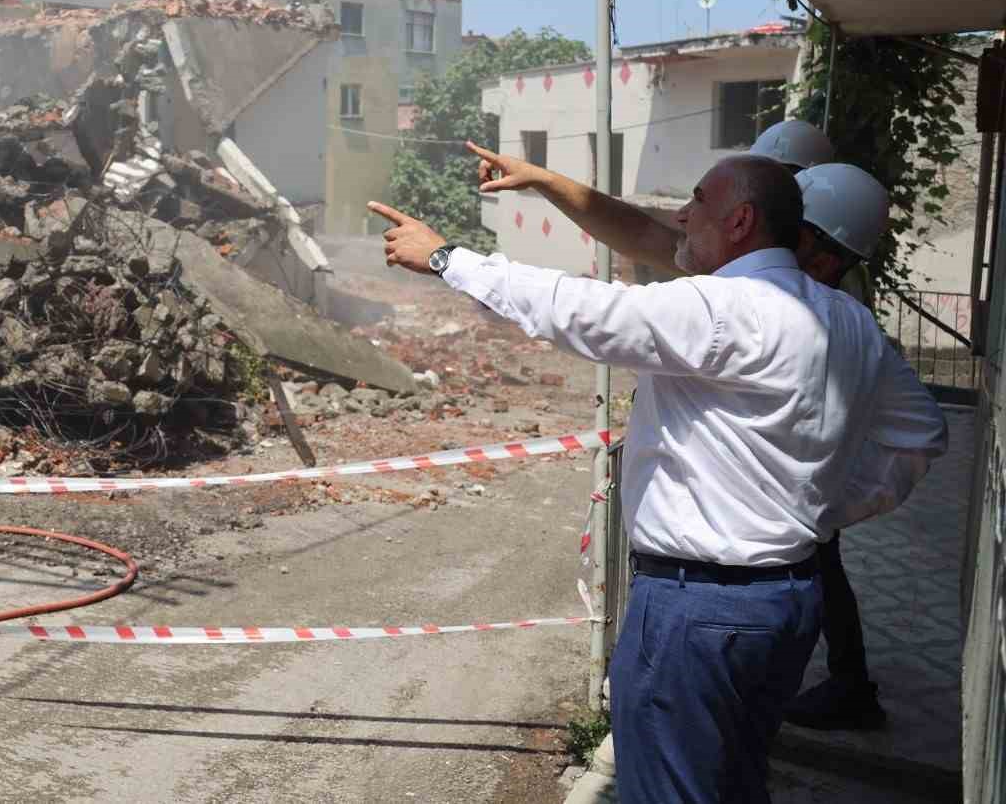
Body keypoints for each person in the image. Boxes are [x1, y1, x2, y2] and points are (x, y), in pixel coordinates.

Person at [368, 153, 947, 804]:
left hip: (693, 609)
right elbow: (922, 433)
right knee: (735, 780)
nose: (680, 215)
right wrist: (821, 507)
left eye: (695, 201)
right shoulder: (850, 322)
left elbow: (578, 307)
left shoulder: (717, 307)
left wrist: (448, 258)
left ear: (740, 220)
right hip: (787, 600)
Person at [469, 136, 917, 732]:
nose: (689, 218)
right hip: (778, 578)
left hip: (709, 596)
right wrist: (546, 181)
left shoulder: (748, 305)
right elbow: (641, 232)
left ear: (817, 248)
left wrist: (828, 501)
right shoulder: (819, 304)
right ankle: (844, 680)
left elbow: (595, 311)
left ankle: (849, 682)